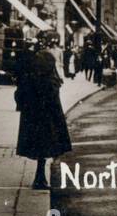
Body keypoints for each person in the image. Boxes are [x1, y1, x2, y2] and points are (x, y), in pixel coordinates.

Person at [15, 31, 73, 190]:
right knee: (46, 145)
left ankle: (40, 177)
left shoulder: (31, 63)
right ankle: (40, 178)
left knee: (38, 145)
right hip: (46, 113)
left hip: (33, 113)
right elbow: (53, 89)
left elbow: (20, 90)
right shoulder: (48, 65)